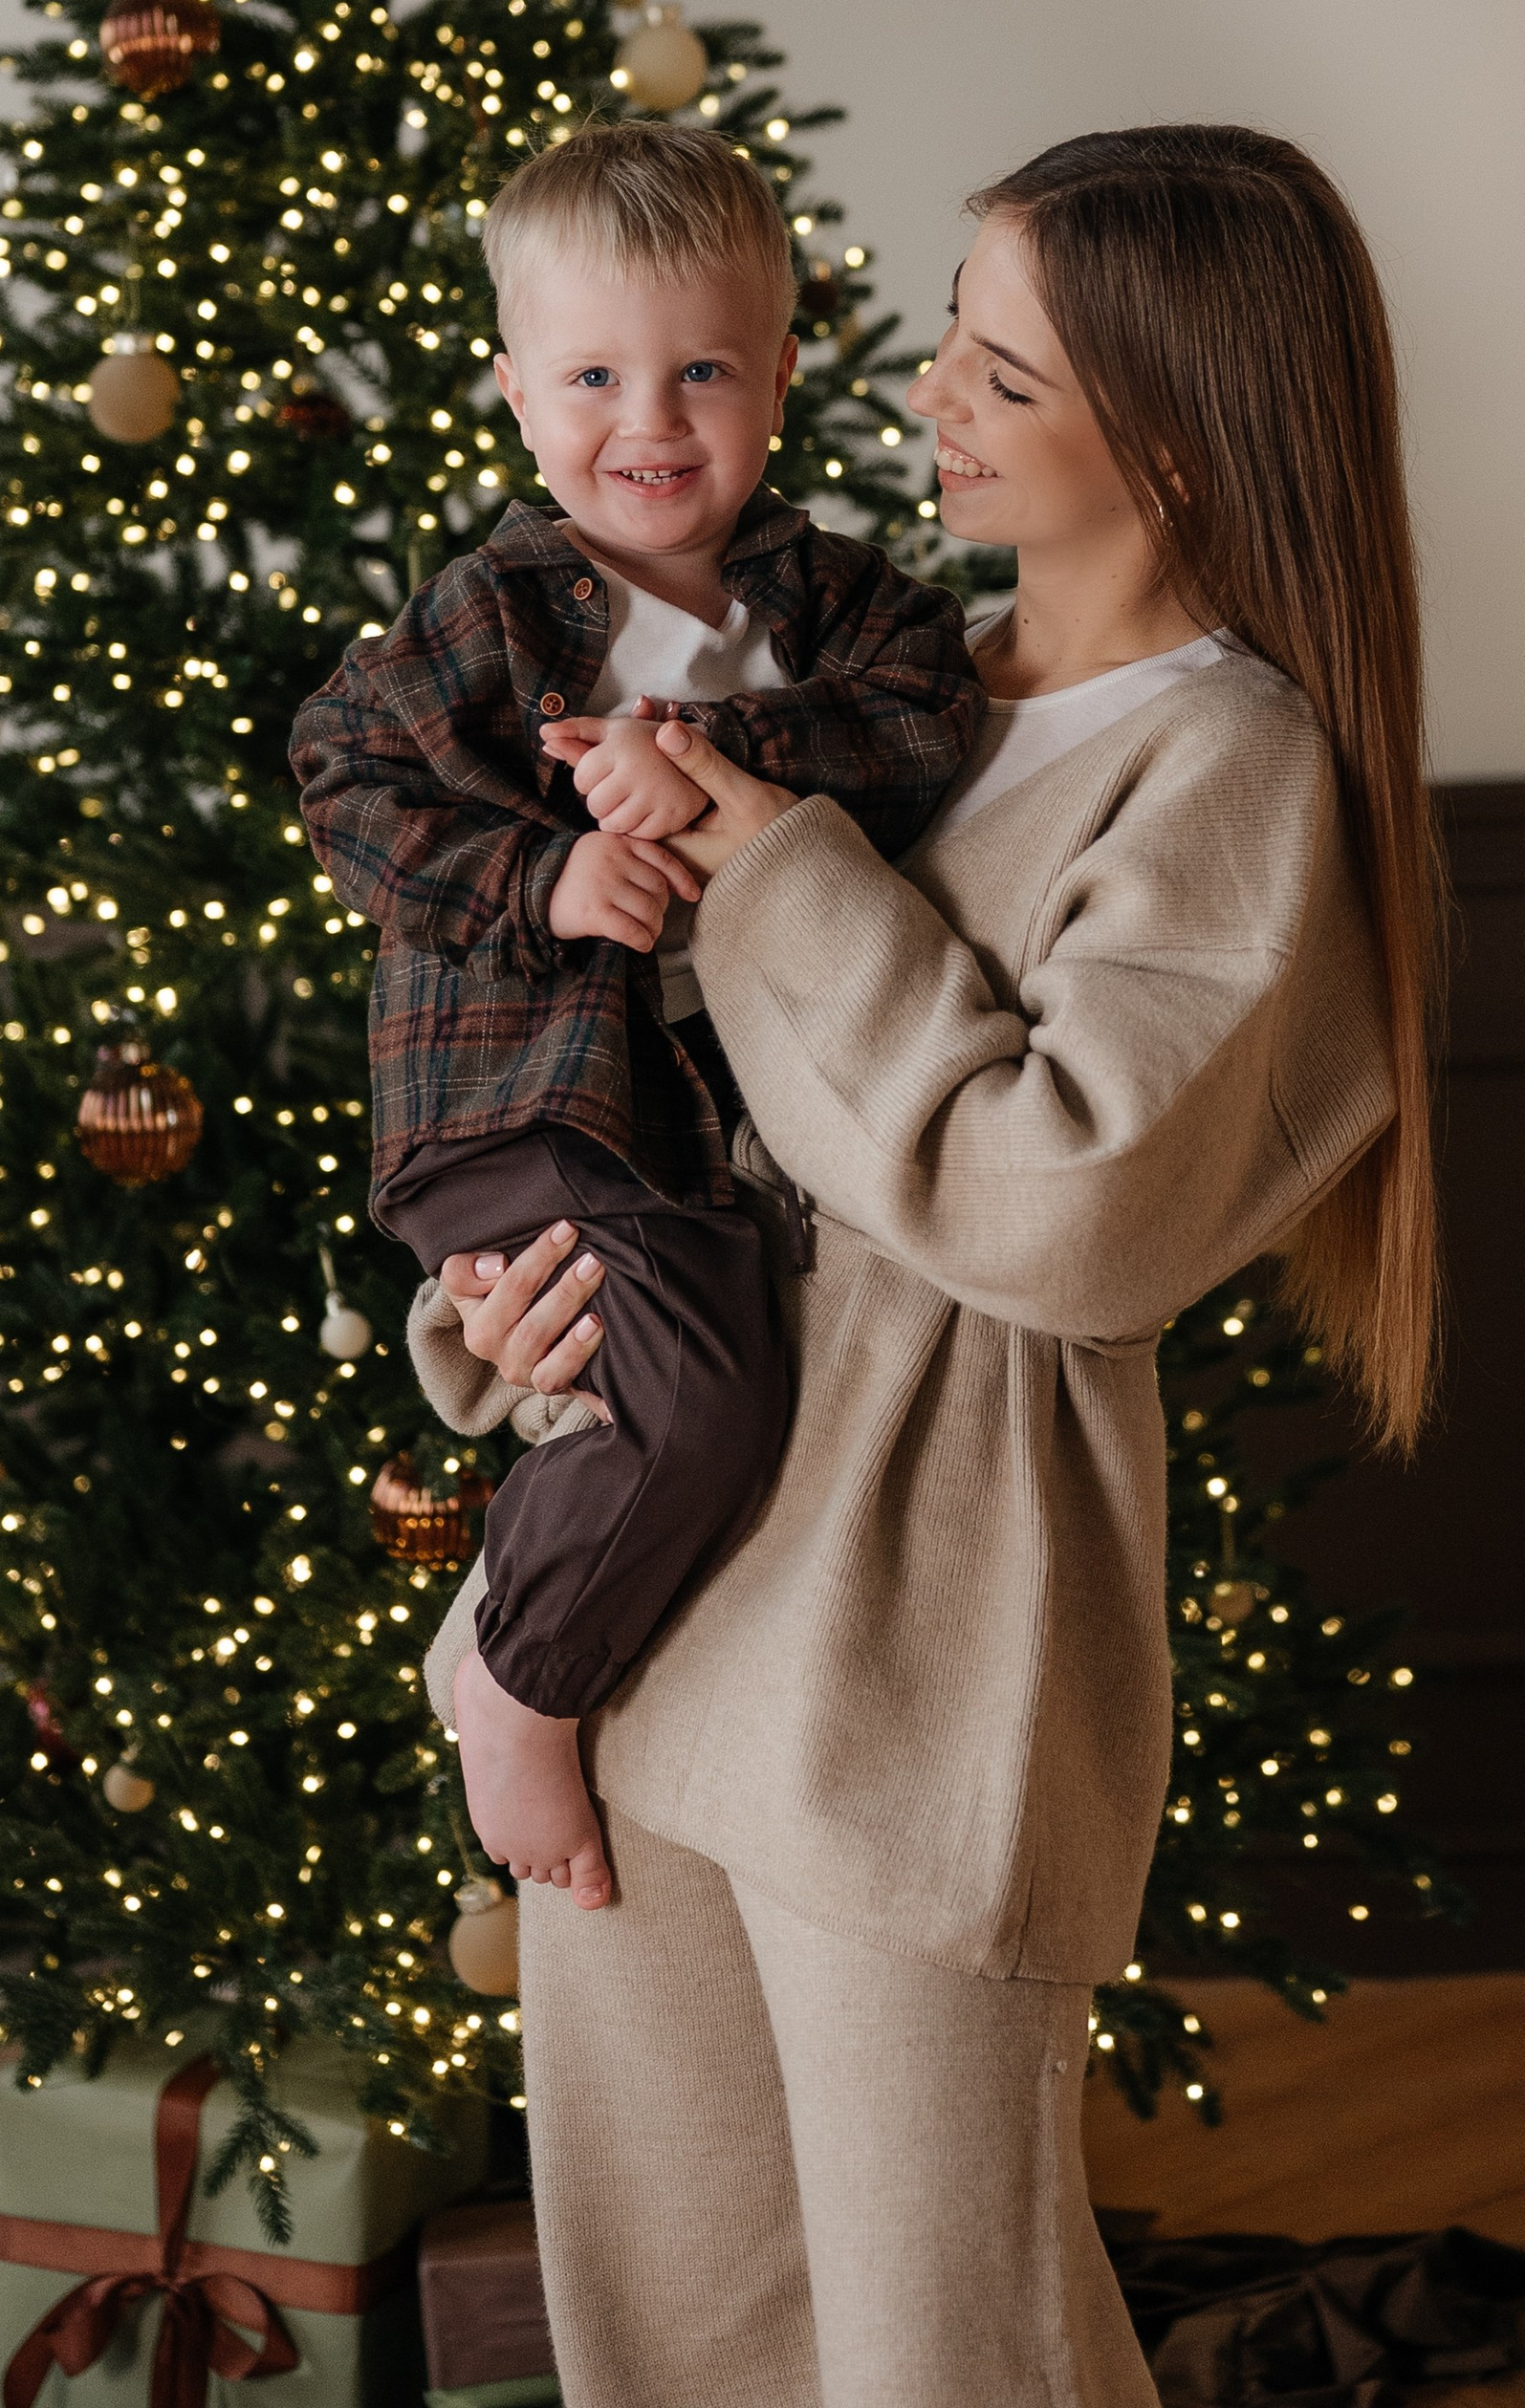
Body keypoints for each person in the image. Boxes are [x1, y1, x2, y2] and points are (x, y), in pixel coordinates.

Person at [409, 123, 1442, 2408]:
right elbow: (635, 1082)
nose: (929, 400)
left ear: (1166, 426)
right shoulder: (885, 692)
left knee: (934, 2351)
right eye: (953, 344)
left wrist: (771, 858)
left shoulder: (1225, 771)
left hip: (910, 1658)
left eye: (999, 368)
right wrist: (491, 1324)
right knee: (670, 2331)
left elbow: (1061, 1218)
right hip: (644, 1628)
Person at [290, 120, 979, 1911]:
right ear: (515, 389)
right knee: (705, 1403)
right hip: (524, 1097)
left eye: (699, 371)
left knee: (720, 1362)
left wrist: (714, 762)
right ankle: (517, 1683)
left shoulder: (831, 609)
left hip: (672, 1111)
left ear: (781, 374)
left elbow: (920, 721)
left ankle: (556, 1640)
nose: (648, 422)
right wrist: (545, 883)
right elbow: (341, 777)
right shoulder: (497, 617)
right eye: (592, 373)